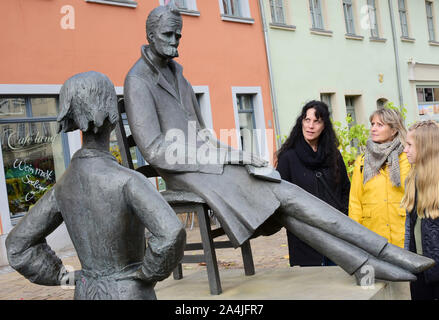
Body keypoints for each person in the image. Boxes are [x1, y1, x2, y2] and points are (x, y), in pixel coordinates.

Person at [124, 4, 434, 284]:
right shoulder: (138, 80)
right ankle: (383, 253)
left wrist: (239, 156)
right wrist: (220, 162)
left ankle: (368, 260)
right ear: (151, 34)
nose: (175, 40)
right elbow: (154, 149)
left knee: (283, 200)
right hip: (187, 174)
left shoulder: (178, 75)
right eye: (168, 34)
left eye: (179, 34)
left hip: (212, 169)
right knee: (284, 194)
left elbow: (203, 135)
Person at [5, 71, 186, 300]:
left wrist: (68, 278)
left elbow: (17, 247)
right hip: (129, 292)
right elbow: (172, 233)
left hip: (86, 291)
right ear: (113, 115)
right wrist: (146, 274)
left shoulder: (62, 188)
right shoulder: (129, 181)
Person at [277, 101, 350, 267]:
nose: (310, 126)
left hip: (335, 233)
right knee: (311, 285)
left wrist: (342, 214)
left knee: (337, 283)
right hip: (304, 237)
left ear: (324, 125)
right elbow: (280, 195)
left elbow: (346, 188)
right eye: (307, 120)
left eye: (316, 121)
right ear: (301, 122)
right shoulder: (289, 157)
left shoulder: (333, 155)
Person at [349, 108, 410, 249]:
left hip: (402, 233)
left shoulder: (408, 158)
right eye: (372, 124)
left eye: (380, 125)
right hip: (372, 234)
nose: (373, 129)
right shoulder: (363, 161)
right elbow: (355, 201)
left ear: (394, 130)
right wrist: (355, 235)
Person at [402, 120, 439, 300]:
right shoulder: (412, 179)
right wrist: (407, 260)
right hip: (419, 267)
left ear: (425, 147)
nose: (405, 150)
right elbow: (409, 226)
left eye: (409, 145)